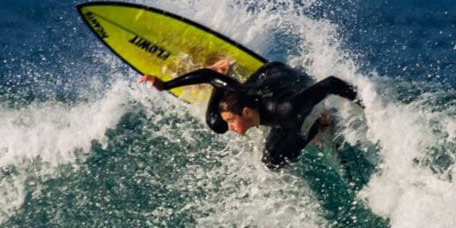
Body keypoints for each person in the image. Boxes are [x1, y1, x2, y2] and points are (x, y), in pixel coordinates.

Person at [140, 61, 360, 169]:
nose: (231, 127)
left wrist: (366, 105)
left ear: (246, 112)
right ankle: (223, 72)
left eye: (232, 121)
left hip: (289, 80)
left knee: (277, 157)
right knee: (214, 123)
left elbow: (331, 83)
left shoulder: (287, 110)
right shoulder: (239, 94)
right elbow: (207, 75)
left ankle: (319, 124)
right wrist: (166, 85)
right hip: (265, 77)